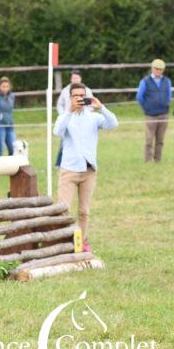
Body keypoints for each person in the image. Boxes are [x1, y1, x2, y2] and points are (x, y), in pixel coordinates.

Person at [53, 82, 118, 253]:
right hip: (69, 170)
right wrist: (69, 110)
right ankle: (63, 241)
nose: (79, 98)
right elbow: (57, 131)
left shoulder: (93, 117)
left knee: (84, 211)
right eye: (76, 96)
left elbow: (113, 123)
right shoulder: (65, 116)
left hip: (89, 171)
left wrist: (101, 107)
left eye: (82, 95)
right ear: (71, 97)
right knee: (63, 210)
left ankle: (81, 241)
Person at [136, 59, 172, 163]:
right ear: (152, 69)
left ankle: (158, 160)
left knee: (160, 139)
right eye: (156, 69)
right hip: (150, 115)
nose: (158, 71)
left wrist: (165, 104)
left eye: (161, 69)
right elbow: (139, 97)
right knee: (149, 139)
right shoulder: (145, 81)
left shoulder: (167, 81)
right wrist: (146, 107)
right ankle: (148, 160)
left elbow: (169, 96)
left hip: (164, 114)